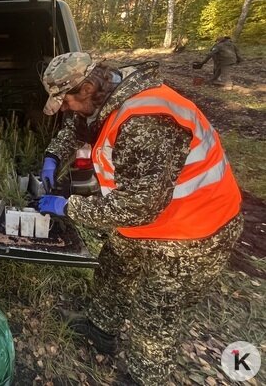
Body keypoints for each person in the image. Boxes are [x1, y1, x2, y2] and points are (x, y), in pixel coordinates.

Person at [37, 52, 243, 385]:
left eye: (67, 100)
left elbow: (138, 207)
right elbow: (79, 127)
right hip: (150, 218)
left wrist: (68, 207)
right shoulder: (107, 98)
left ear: (88, 86)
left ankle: (144, 375)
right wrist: (52, 156)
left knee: (157, 309)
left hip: (194, 227)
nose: (64, 107)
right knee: (114, 268)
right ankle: (100, 328)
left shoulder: (146, 120)